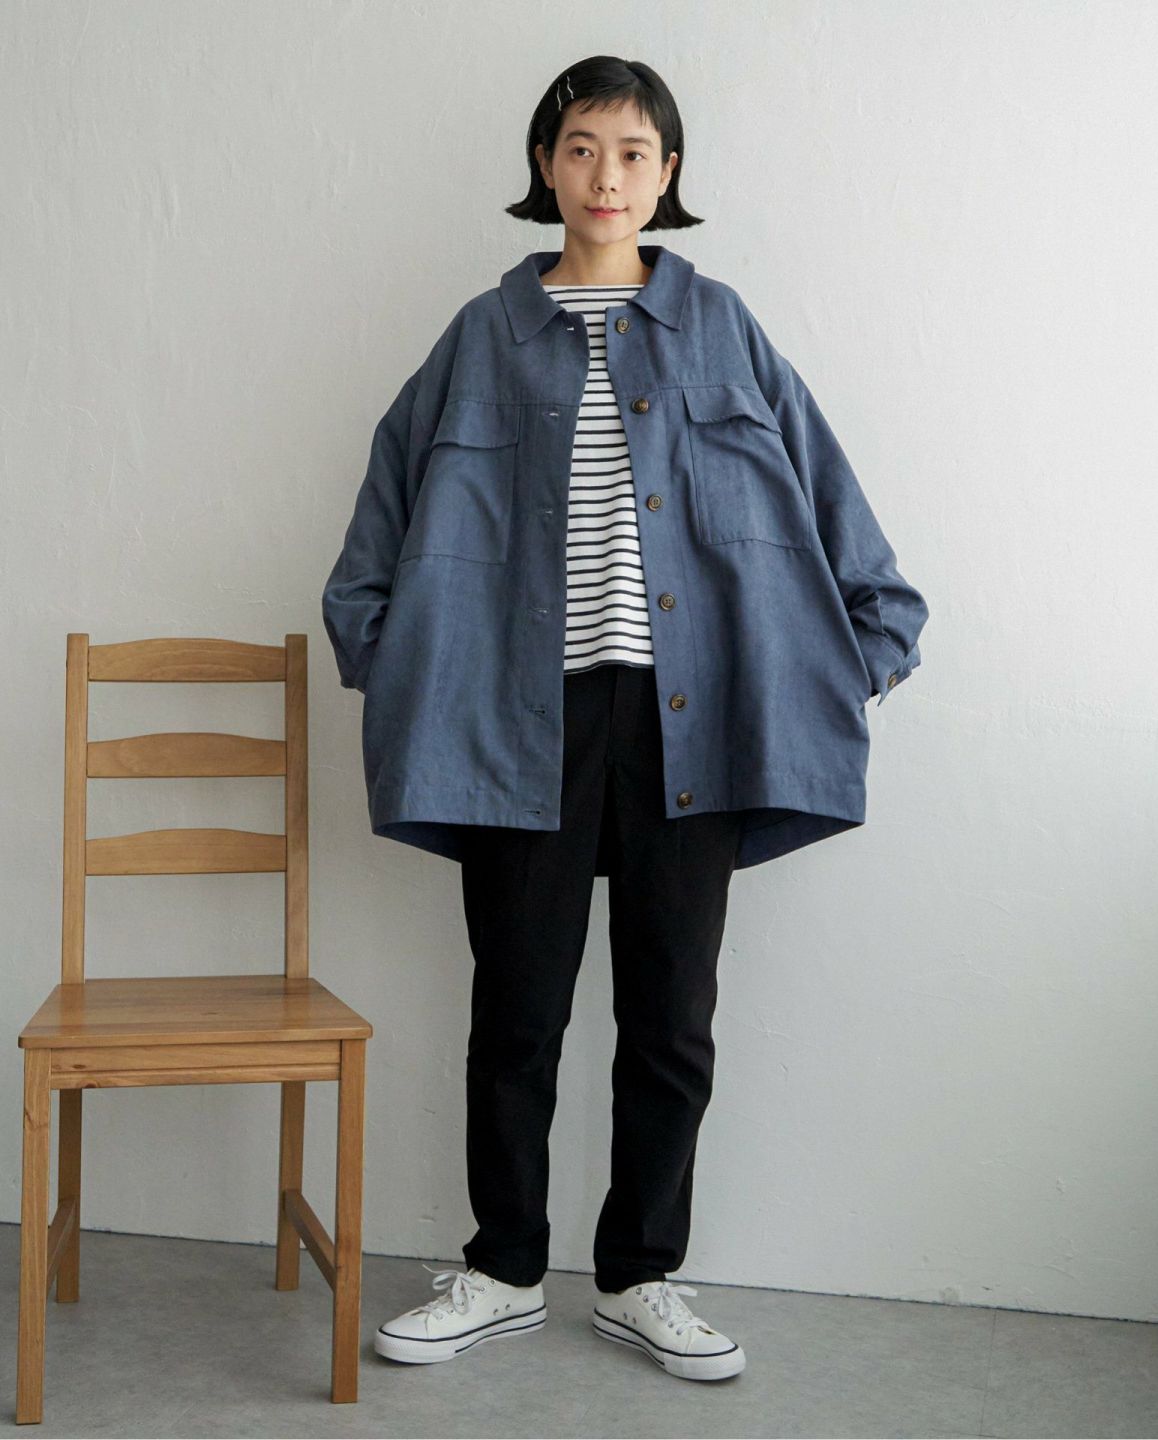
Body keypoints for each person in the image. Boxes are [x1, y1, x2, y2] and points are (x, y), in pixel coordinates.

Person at [323, 55, 929, 1384]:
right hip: (514, 722)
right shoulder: (483, 336)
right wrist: (391, 660)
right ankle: (501, 1270)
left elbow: (823, 483)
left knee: (671, 1016)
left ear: (669, 174)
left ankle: (643, 1275)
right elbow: (383, 508)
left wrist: (869, 641)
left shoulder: (720, 327)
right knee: (517, 1012)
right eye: (583, 147)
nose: (607, 175)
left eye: (635, 151)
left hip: (687, 721)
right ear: (546, 166)